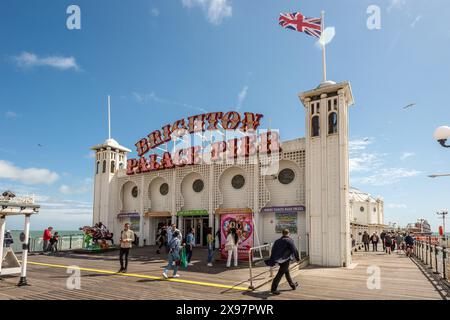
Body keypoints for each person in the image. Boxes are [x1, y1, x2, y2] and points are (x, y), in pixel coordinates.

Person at [266, 229, 300, 295]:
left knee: (287, 272)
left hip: (279, 260)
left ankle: (293, 285)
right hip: (286, 260)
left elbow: (273, 251)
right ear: (289, 233)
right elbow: (294, 250)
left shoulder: (277, 241)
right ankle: (273, 289)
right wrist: (298, 259)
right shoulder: (289, 240)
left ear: (282, 233)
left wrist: (272, 260)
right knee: (280, 274)